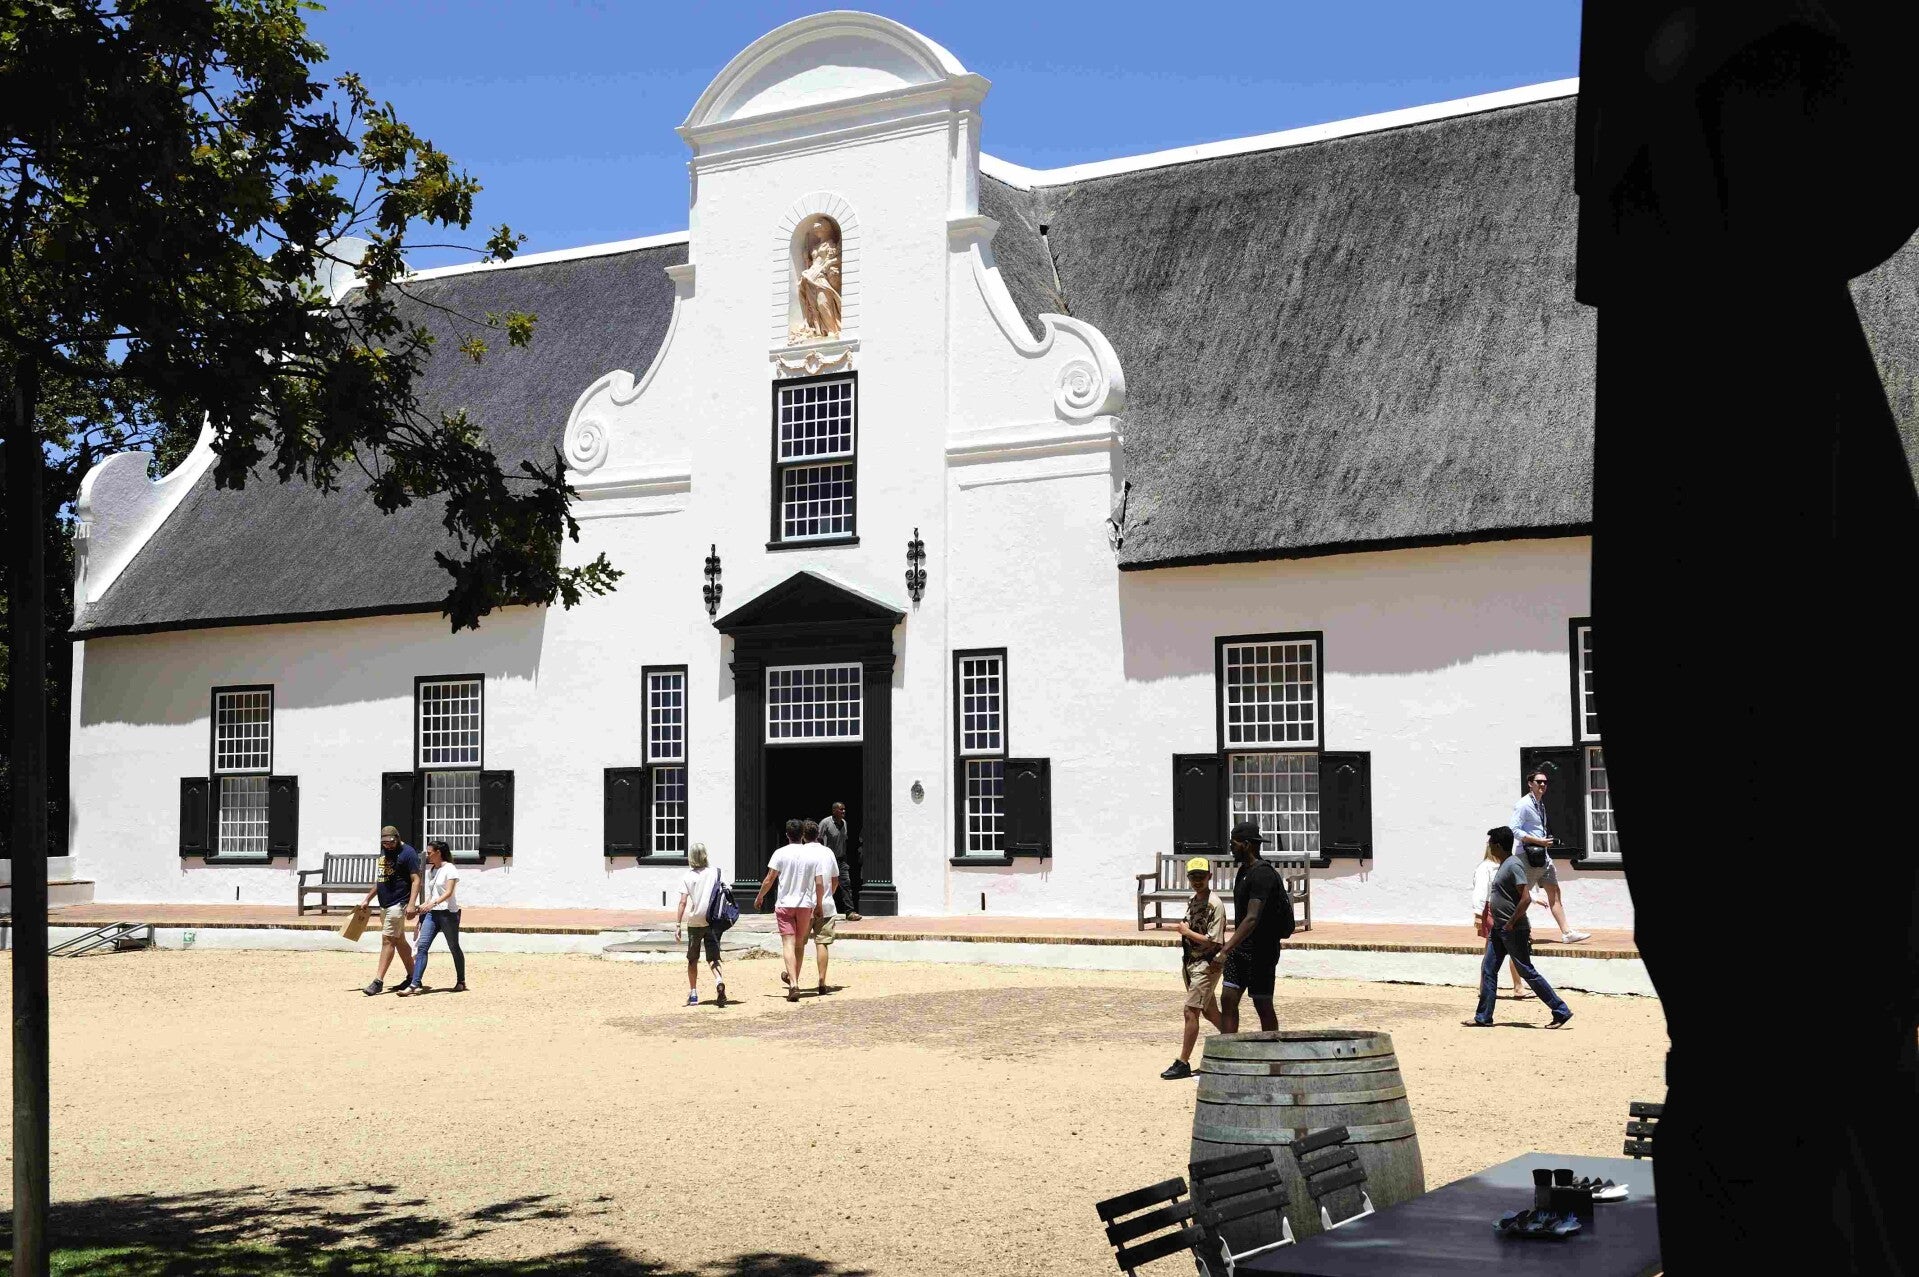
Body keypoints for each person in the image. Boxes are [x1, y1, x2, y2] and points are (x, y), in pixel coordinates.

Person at [1469, 826, 1573, 1028]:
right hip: (1499, 929)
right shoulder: (1504, 865)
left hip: (1513, 929)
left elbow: (1524, 898)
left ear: (1499, 845)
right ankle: (1483, 1017)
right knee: (1489, 969)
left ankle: (1561, 1010)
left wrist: (1510, 922)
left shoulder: (1513, 865)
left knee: (1526, 970)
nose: (1489, 847)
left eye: (1491, 843)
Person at [1207, 822, 1291, 1034]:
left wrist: (1225, 950)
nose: (1231, 848)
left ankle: (1272, 1048)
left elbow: (1252, 918)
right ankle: (1228, 1048)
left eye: (1233, 844)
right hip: (1240, 950)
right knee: (1228, 999)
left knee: (1262, 1004)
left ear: (1246, 844)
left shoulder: (1263, 874)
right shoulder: (1243, 871)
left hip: (1262, 951)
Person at [1162, 858, 1225, 1080]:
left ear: (1209, 876)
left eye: (1201, 876)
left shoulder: (1215, 904)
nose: (1197, 880)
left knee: (1190, 1011)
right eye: (1193, 876)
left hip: (1207, 965)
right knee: (1209, 1011)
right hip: (1191, 962)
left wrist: (1186, 932)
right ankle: (1236, 1040)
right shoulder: (1193, 900)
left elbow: (1214, 941)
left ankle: (1183, 1062)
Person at [1511, 769, 1591, 943]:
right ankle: (1516, 931)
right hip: (1527, 856)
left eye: (1545, 782)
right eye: (1539, 781)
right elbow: (1514, 830)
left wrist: (1544, 842)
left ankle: (1567, 933)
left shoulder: (1540, 804)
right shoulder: (1523, 804)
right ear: (1530, 784)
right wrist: (1538, 841)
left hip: (1543, 857)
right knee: (1522, 897)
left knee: (1554, 892)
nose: (1542, 784)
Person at [755, 818, 822, 1003]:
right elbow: (819, 882)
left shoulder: (780, 853)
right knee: (799, 944)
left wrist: (760, 896)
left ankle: (793, 984)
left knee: (788, 944)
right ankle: (795, 980)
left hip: (785, 904)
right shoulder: (812, 855)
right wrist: (819, 904)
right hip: (805, 904)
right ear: (802, 835)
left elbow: (770, 878)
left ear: (787, 835)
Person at [360, 825, 421, 996]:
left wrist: (411, 904)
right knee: (399, 940)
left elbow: (416, 880)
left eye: (391, 842)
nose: (388, 846)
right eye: (385, 843)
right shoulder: (384, 852)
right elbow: (381, 879)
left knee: (388, 940)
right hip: (385, 903)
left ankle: (378, 981)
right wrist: (367, 898)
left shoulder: (408, 853)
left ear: (398, 838)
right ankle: (413, 977)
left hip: (398, 903)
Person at [400, 839, 465, 996]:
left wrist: (432, 903)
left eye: (430, 853)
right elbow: (432, 894)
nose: (427, 855)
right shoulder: (432, 870)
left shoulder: (450, 869)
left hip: (448, 913)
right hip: (432, 913)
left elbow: (448, 892)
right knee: (422, 946)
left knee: (453, 946)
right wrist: (423, 906)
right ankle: (415, 984)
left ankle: (461, 980)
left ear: (438, 853)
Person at [1472, 827, 1529, 1000]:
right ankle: (1501, 987)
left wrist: (1533, 898)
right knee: (1499, 950)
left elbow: (1513, 889)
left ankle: (1514, 986)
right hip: (1492, 912)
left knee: (1502, 951)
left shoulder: (1506, 865)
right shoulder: (1486, 868)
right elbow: (1481, 891)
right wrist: (1478, 914)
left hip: (1501, 911)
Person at [674, 843, 726, 1007]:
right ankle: (719, 981)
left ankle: (694, 993)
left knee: (692, 959)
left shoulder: (687, 877)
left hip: (695, 922)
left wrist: (678, 925)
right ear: (705, 856)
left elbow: (683, 902)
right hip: (712, 920)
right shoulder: (715, 872)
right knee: (713, 957)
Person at [801, 820, 839, 995]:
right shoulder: (828, 852)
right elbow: (835, 879)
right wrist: (828, 895)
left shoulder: (800, 852)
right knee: (822, 943)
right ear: (818, 835)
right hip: (826, 904)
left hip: (804, 905)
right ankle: (822, 980)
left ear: (803, 836)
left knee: (798, 944)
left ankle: (794, 979)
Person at [819, 801, 861, 920]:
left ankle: (850, 912)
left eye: (844, 809)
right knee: (825, 885)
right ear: (834, 811)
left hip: (841, 860)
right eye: (841, 809)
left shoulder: (844, 823)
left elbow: (844, 841)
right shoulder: (825, 823)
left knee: (846, 884)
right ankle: (820, 910)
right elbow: (818, 839)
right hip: (827, 860)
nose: (843, 811)